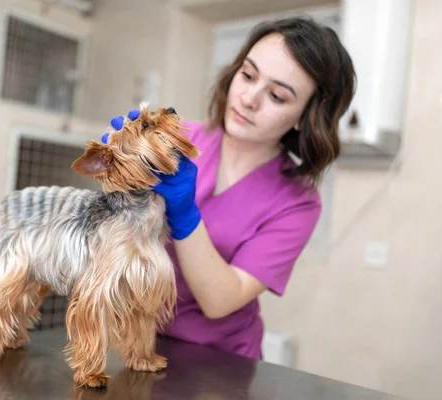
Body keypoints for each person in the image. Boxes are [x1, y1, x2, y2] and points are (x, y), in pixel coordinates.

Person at [100, 17, 356, 360]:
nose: (249, 98)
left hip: (219, 362)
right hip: (136, 342)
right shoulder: (179, 141)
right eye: (248, 75)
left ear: (303, 117)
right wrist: (116, 167)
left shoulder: (298, 202)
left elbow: (220, 300)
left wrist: (185, 211)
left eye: (277, 96)